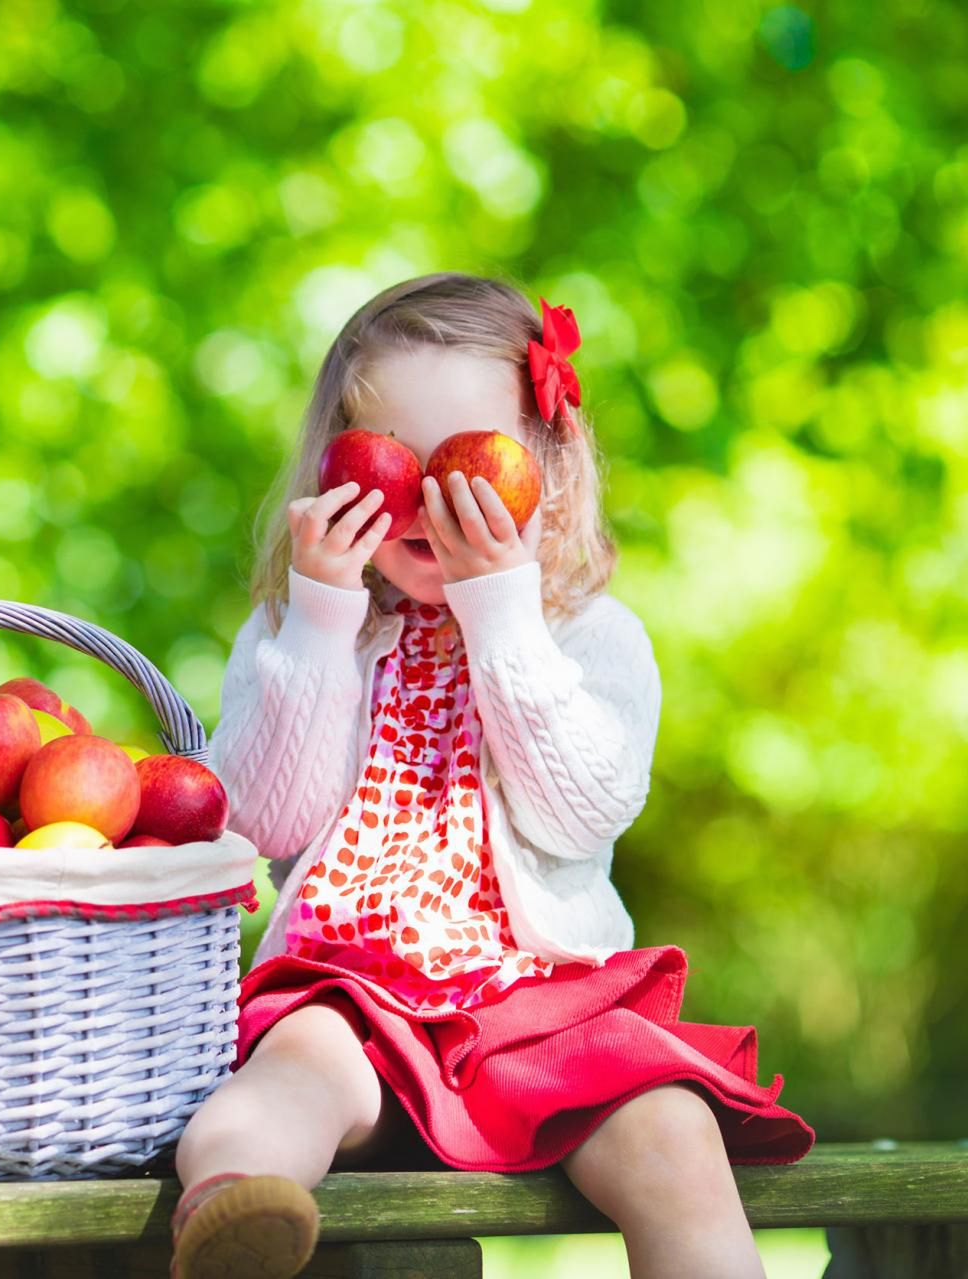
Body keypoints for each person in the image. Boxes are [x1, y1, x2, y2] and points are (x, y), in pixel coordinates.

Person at [170, 274, 812, 1279]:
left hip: (540, 1000)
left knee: (673, 1137)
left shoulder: (587, 636)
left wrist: (502, 613)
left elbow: (580, 811)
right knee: (272, 1092)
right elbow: (257, 818)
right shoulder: (300, 632)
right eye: (395, 464)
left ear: (546, 470)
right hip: (353, 996)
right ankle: (235, 1220)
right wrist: (320, 618)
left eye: (469, 467)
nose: (430, 501)